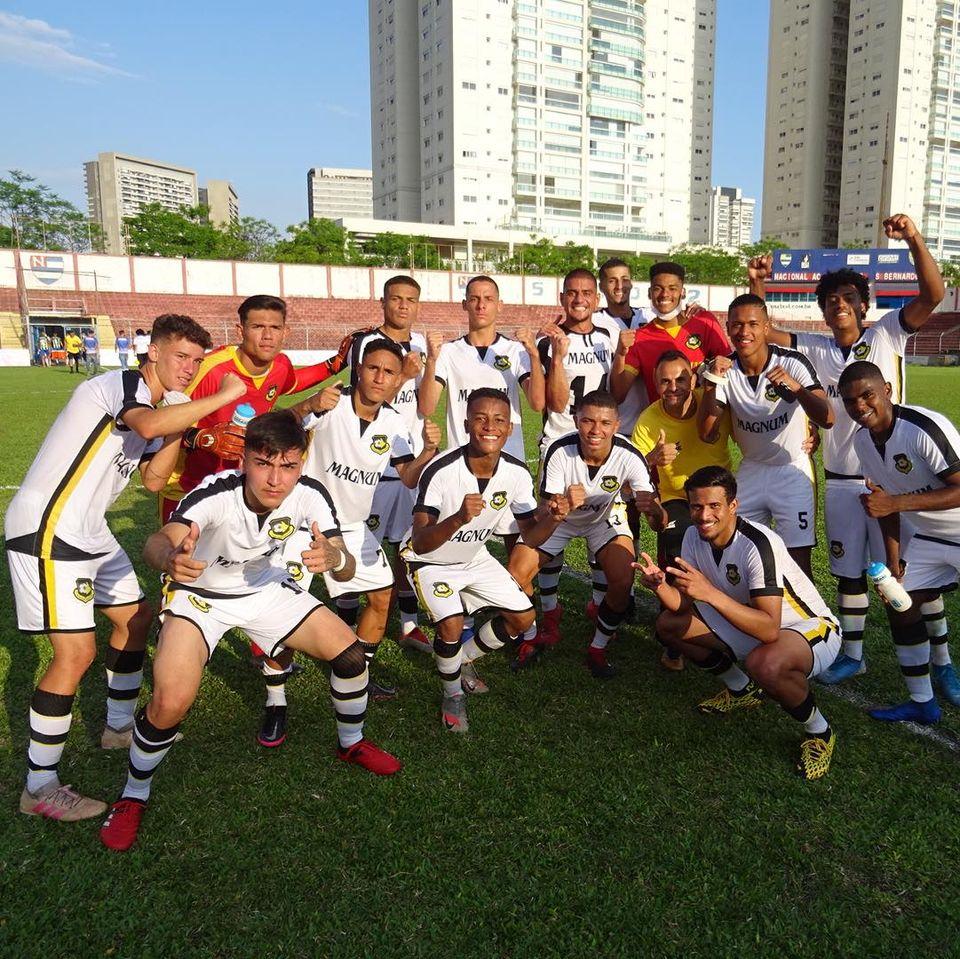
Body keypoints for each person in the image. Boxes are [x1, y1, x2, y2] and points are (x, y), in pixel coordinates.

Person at [99, 411, 401, 852]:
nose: (276, 479)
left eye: (289, 466)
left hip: (265, 591)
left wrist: (335, 560)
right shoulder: (217, 493)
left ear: (302, 463)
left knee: (351, 655)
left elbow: (343, 558)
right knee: (170, 701)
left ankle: (351, 744)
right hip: (200, 599)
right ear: (244, 460)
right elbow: (160, 539)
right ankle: (133, 795)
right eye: (264, 463)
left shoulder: (311, 495)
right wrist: (169, 559)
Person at [6, 314, 248, 821]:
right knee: (75, 653)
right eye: (181, 356)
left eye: (197, 361)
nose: (189, 368)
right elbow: (147, 424)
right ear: (153, 352)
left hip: (90, 528)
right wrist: (223, 395)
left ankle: (117, 727)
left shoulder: (164, 405)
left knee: (136, 620)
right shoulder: (120, 386)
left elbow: (155, 482)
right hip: (51, 525)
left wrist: (184, 427)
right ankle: (40, 785)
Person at [749, 213, 951, 687]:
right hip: (841, 479)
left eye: (847, 298)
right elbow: (761, 331)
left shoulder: (886, 334)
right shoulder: (816, 348)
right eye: (830, 300)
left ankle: (942, 662)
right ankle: (853, 655)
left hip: (896, 480)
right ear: (821, 309)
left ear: (865, 304)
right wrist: (755, 282)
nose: (838, 305)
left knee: (913, 575)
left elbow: (933, 295)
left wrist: (914, 239)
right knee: (849, 572)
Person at [158, 293, 353, 738]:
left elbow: (297, 380)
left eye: (275, 328)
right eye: (257, 327)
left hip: (260, 489)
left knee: (260, 569)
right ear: (240, 328)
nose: (266, 336)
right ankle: (178, 633)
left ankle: (264, 648)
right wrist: (203, 441)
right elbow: (168, 412)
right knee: (183, 569)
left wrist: (337, 362)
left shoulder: (280, 366)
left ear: (285, 331)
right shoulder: (215, 368)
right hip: (194, 488)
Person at [275, 339, 440, 738]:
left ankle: (358, 673)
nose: (379, 378)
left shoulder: (395, 423)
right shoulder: (331, 405)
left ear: (399, 379)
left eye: (389, 372)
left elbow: (408, 477)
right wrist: (307, 405)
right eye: (372, 368)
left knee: (382, 595)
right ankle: (275, 700)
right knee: (281, 608)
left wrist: (429, 450)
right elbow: (279, 427)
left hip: (351, 525)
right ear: (359, 369)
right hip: (303, 522)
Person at [637, 466, 841, 780]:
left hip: (806, 628)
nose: (704, 515)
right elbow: (684, 604)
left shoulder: (757, 544)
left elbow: (770, 629)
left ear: (733, 506)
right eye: (696, 506)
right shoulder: (693, 535)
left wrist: (710, 593)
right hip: (747, 619)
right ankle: (741, 690)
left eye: (714, 506)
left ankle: (820, 733)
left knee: (766, 664)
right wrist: (659, 586)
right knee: (670, 626)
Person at [399, 389, 570, 731]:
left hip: (474, 556)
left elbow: (529, 536)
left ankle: (460, 662)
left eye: (498, 420)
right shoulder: (442, 471)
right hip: (429, 560)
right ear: (465, 425)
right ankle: (452, 695)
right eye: (480, 418)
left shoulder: (517, 473)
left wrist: (553, 518)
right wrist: (457, 519)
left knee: (523, 618)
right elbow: (420, 541)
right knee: (451, 624)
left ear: (509, 429)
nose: (489, 426)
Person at [510, 390, 665, 677]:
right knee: (517, 574)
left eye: (605, 423)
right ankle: (535, 634)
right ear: (575, 420)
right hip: (562, 520)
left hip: (602, 519)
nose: (596, 430)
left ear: (616, 425)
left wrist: (653, 509)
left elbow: (659, 523)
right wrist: (560, 506)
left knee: (622, 579)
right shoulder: (559, 450)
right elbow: (545, 511)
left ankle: (597, 648)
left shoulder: (630, 455)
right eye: (588, 421)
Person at [840, 361, 960, 724]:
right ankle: (923, 702)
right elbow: (882, 505)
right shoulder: (862, 441)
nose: (860, 406)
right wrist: (894, 563)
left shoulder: (922, 428)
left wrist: (897, 502)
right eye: (850, 401)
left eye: (867, 395)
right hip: (929, 536)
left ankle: (944, 671)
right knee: (900, 602)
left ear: (887, 391)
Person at [698, 294, 833, 577]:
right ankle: (749, 617)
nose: (744, 332)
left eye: (752, 324)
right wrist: (711, 383)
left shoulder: (793, 362)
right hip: (752, 469)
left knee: (797, 561)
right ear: (728, 328)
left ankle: (802, 622)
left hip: (792, 470)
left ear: (766, 326)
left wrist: (797, 389)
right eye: (736, 325)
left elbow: (827, 418)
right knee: (739, 550)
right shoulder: (726, 370)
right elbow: (707, 434)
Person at [337, 276, 432, 654]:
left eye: (411, 300)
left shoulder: (422, 344)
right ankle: (344, 622)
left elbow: (426, 403)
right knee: (359, 546)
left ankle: (408, 624)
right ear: (383, 301)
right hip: (369, 465)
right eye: (396, 299)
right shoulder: (364, 342)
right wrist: (405, 374)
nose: (403, 306)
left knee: (406, 548)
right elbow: (362, 397)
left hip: (406, 462)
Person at [631, 350, 733, 670]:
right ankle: (676, 635)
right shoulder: (648, 420)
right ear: (656, 383)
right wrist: (652, 459)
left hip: (720, 492)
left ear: (693, 375)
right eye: (665, 381)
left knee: (733, 557)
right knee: (677, 554)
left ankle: (731, 622)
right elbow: (632, 472)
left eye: (680, 378)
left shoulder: (712, 401)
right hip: (677, 497)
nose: (673, 386)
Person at [533, 269, 615, 644]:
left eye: (586, 292)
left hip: (601, 444)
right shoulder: (549, 340)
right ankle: (550, 611)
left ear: (596, 298)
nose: (579, 299)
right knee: (552, 531)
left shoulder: (610, 335)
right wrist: (559, 356)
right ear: (562, 298)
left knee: (601, 527)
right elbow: (554, 402)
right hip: (559, 441)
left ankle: (599, 604)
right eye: (571, 293)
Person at [419, 274, 545, 463]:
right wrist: (430, 361)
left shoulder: (516, 350)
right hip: (461, 460)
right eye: (474, 299)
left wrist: (534, 356)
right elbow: (427, 408)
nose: (481, 305)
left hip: (508, 459)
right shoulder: (447, 351)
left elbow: (537, 404)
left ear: (499, 305)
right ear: (464, 304)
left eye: (488, 299)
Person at [610, 261, 728, 412]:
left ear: (683, 292)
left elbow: (731, 367)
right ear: (649, 293)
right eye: (658, 289)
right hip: (663, 427)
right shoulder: (639, 338)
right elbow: (618, 395)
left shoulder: (705, 322)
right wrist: (620, 353)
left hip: (702, 423)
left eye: (672, 288)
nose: (665, 294)